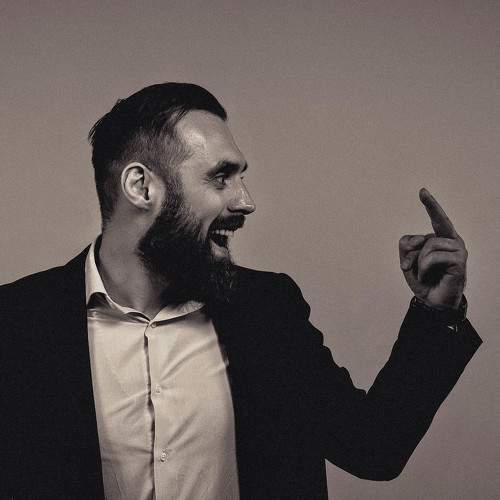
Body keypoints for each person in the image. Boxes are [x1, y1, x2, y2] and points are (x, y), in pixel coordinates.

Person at [0, 83, 481, 500]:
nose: (245, 201)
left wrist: (437, 312)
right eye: (221, 177)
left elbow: (373, 448)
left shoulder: (266, 312)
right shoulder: (16, 324)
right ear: (141, 186)